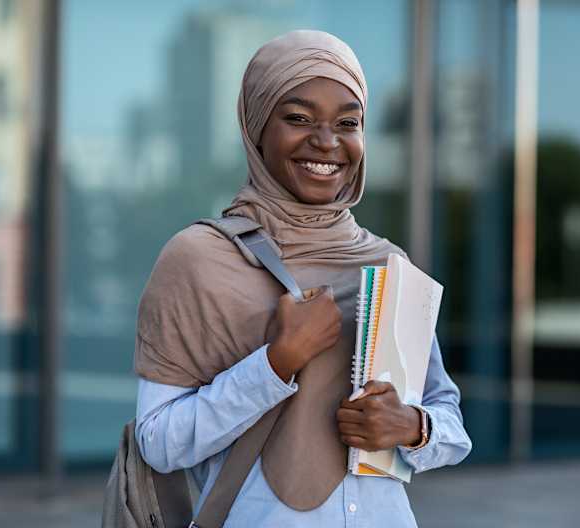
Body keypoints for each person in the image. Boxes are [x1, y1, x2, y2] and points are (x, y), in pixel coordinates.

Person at [134, 30, 471, 527]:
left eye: (348, 122)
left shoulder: (385, 263)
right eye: (298, 118)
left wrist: (411, 427)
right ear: (256, 127)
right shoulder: (200, 259)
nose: (327, 141)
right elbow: (158, 442)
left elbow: (450, 422)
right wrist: (274, 364)